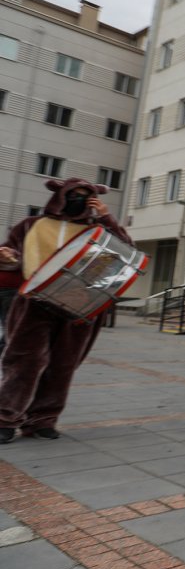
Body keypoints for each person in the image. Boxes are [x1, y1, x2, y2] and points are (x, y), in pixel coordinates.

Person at [0, 180, 131, 443]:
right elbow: (13, 254)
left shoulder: (97, 229)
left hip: (80, 304)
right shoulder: (31, 225)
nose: (78, 200)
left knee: (63, 365)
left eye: (85, 196)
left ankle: (43, 420)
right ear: (60, 196)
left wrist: (106, 216)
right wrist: (7, 256)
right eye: (73, 195)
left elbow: (126, 250)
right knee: (24, 361)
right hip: (34, 302)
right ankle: (6, 418)